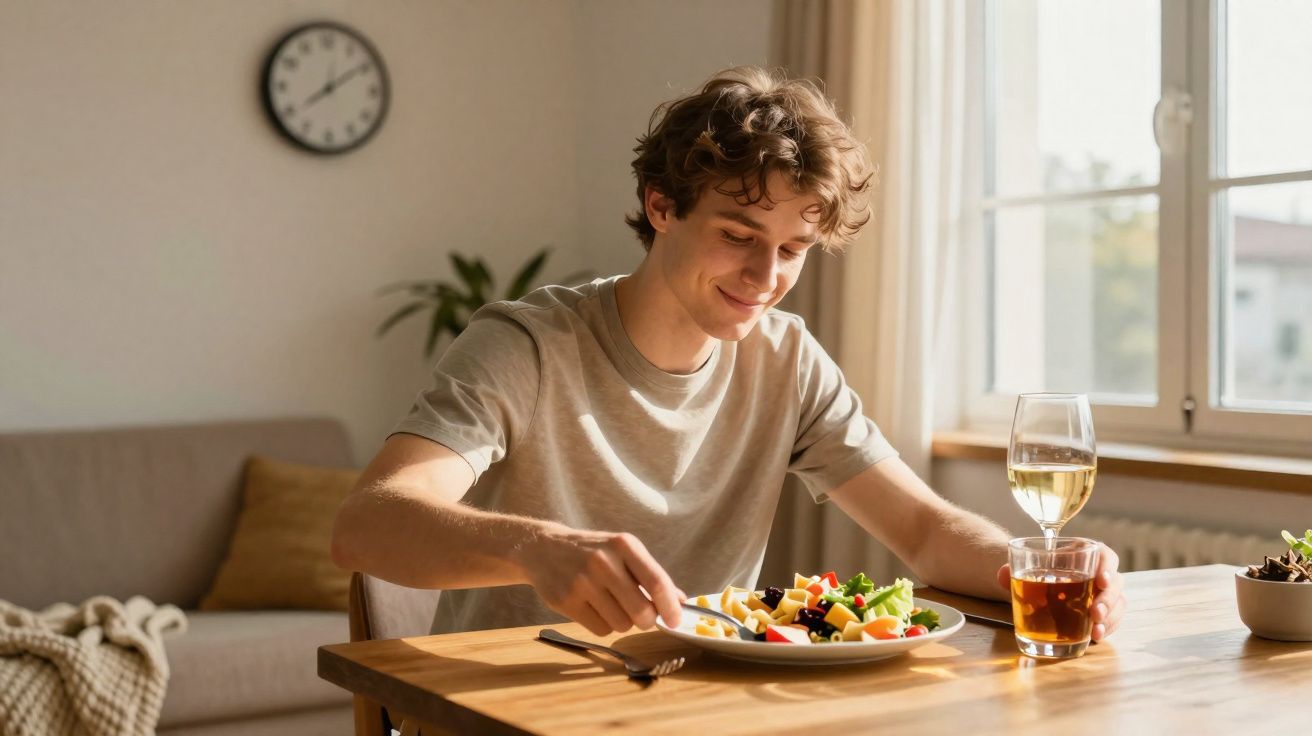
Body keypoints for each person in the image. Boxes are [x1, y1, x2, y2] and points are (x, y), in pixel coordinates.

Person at [330, 66, 1126, 641]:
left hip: (698, 706)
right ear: (661, 206)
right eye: (740, 237)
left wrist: (1037, 569)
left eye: (793, 250)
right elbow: (365, 525)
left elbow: (920, 531)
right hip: (507, 712)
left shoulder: (786, 359)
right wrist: (534, 547)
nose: (765, 277)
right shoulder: (527, 346)